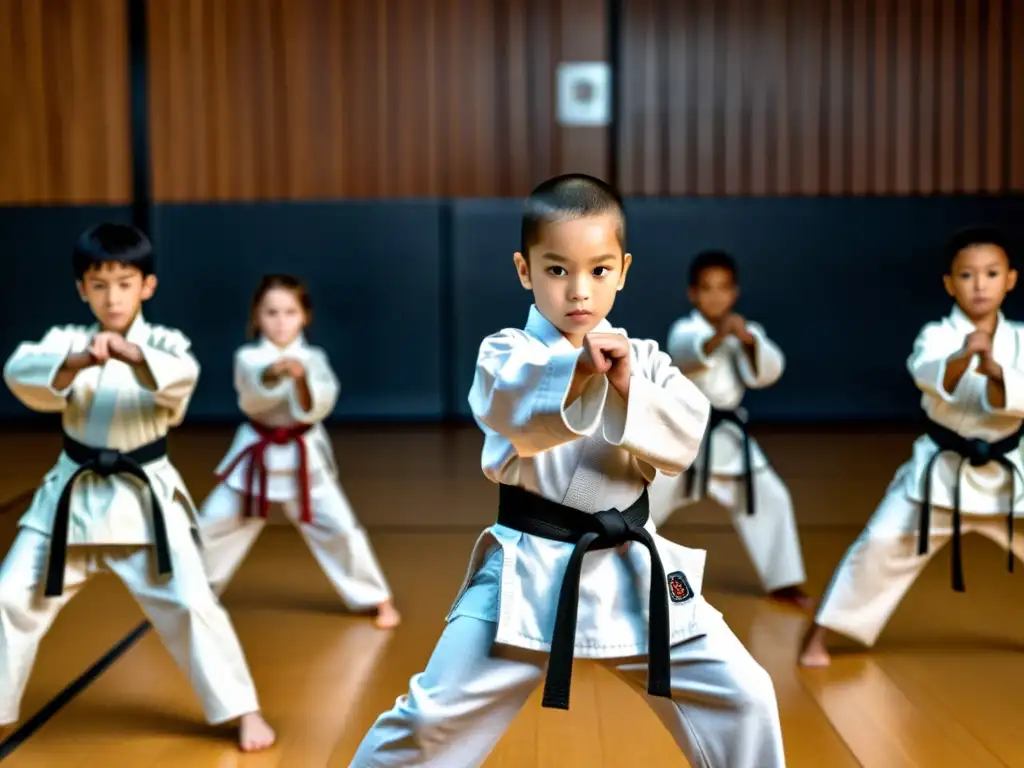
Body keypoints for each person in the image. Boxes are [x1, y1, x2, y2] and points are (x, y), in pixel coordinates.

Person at [349, 174, 785, 767]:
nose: (579, 291)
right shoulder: (505, 354)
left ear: (623, 270)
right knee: (429, 720)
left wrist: (627, 384)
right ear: (525, 270)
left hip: (634, 568)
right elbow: (513, 410)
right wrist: (577, 376)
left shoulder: (647, 358)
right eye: (558, 270)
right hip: (531, 570)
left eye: (599, 271)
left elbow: (686, 435)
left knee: (747, 695)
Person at [0, 223, 275, 751]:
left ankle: (243, 711)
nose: (112, 296)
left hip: (145, 501)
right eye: (99, 285)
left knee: (193, 605)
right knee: (10, 596)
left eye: (124, 283)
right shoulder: (65, 340)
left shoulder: (166, 342)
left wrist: (130, 355)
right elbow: (20, 370)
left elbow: (181, 378)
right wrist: (83, 359)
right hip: (70, 501)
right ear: (82, 289)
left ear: (146, 286)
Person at [800, 225, 1024, 667]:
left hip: (1010, 473)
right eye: (967, 275)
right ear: (949, 283)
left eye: (992, 273)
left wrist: (998, 372)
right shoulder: (936, 335)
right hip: (941, 475)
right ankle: (819, 635)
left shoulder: (1021, 337)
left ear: (1010, 279)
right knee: (880, 544)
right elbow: (929, 374)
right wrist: (965, 355)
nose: (980, 285)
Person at [197, 274, 400, 628]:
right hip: (255, 458)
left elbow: (320, 404)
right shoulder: (248, 356)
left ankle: (376, 597)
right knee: (212, 522)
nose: (280, 321)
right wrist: (276, 375)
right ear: (257, 317)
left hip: (304, 458)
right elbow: (252, 394)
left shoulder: (314, 357)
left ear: (304, 316)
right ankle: (190, 594)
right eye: (271, 312)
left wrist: (302, 377)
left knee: (339, 528)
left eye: (289, 312)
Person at [648, 249, 811, 610]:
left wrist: (749, 342)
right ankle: (607, 572)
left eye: (723, 288)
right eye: (707, 288)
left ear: (734, 293)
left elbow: (768, 371)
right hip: (683, 437)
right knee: (639, 502)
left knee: (771, 498)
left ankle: (783, 581)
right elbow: (686, 354)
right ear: (693, 294)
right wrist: (719, 337)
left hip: (726, 439)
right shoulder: (686, 329)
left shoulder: (747, 333)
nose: (716, 296)